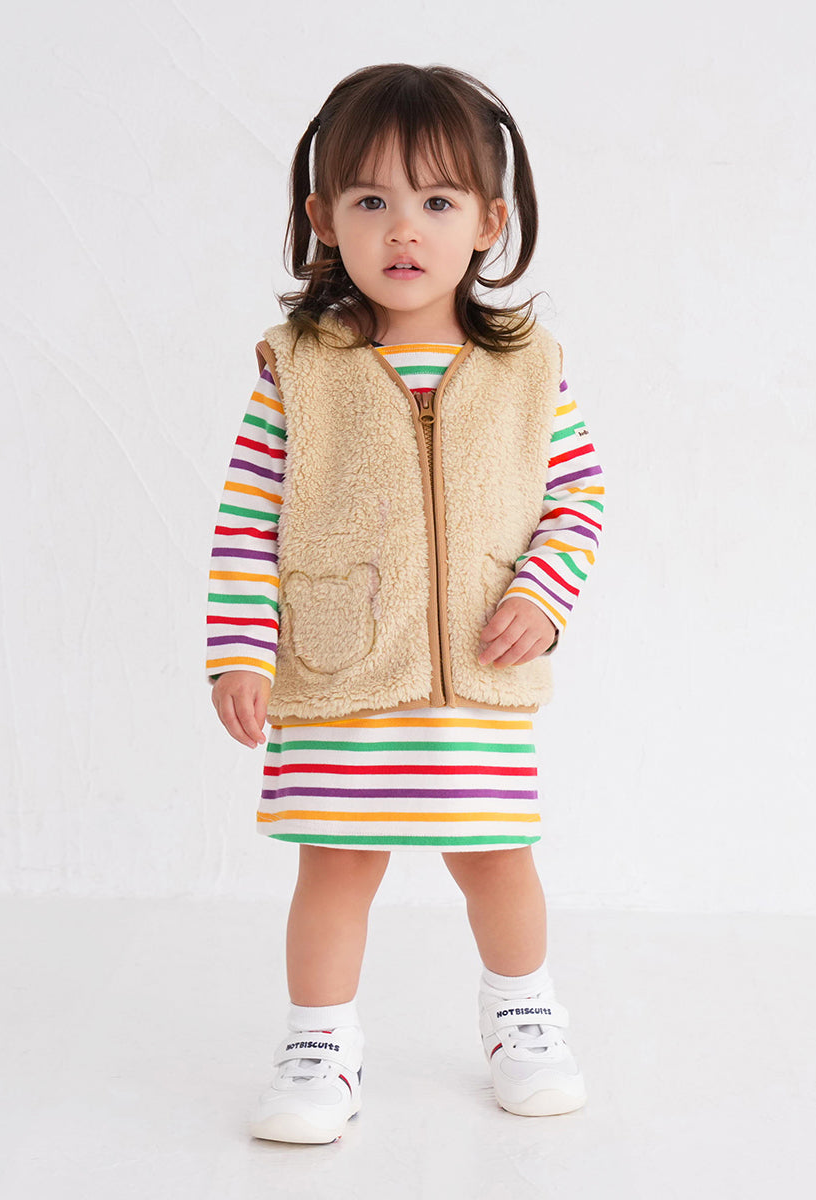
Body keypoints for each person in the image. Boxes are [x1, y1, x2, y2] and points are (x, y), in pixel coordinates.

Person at [205, 63, 605, 1144]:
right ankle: (318, 1043)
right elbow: (246, 522)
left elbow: (576, 497)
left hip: (478, 678)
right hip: (340, 674)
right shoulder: (298, 369)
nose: (403, 228)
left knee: (496, 859)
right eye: (371, 199)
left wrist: (543, 597)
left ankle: (524, 1017)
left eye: (436, 200)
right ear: (322, 219)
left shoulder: (528, 368)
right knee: (336, 865)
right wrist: (240, 653)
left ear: (489, 222)